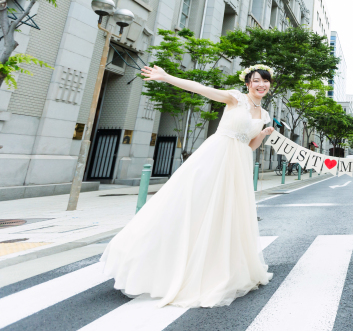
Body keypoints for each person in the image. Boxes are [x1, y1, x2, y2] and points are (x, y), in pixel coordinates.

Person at [100, 64, 276, 308]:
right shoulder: (235, 98)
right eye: (256, 80)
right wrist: (166, 77)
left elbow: (250, 145)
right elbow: (201, 89)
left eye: (265, 81)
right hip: (216, 156)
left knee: (226, 216)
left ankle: (215, 266)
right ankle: (155, 261)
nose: (261, 85)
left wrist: (264, 133)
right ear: (247, 82)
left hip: (238, 164)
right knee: (190, 206)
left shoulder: (264, 113)